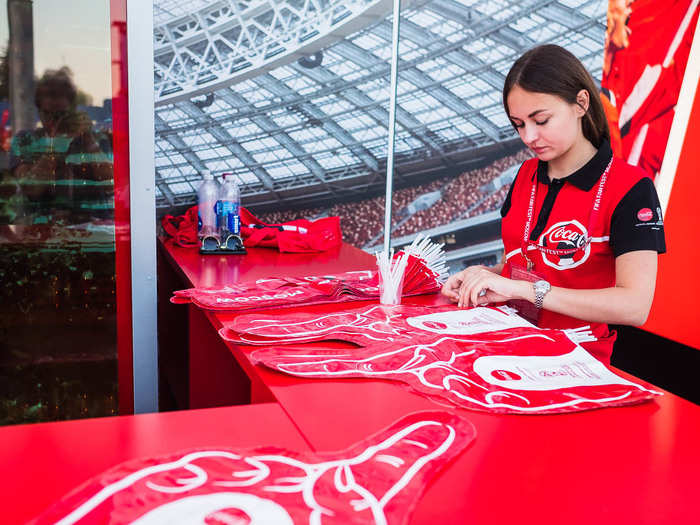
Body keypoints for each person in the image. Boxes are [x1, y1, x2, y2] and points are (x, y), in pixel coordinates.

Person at [441, 45, 666, 363]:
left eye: (541, 120)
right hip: (508, 347)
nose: (529, 137)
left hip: (578, 362)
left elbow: (635, 306)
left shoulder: (631, 187)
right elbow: (518, 267)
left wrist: (525, 291)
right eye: (518, 124)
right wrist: (484, 277)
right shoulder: (525, 174)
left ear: (581, 103)